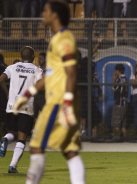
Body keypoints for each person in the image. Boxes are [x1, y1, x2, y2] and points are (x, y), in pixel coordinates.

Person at [12, 1, 85, 183]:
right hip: (56, 101)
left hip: (60, 102)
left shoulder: (64, 40)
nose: (42, 13)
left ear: (54, 15)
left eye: (45, 10)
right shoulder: (56, 40)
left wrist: (67, 103)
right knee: (67, 151)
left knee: (40, 148)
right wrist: (27, 94)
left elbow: (71, 73)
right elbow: (49, 77)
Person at [0, 46, 42, 173]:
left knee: (12, 131)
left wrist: (9, 93)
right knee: (22, 136)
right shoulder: (37, 70)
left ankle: (5, 139)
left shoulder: (12, 67)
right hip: (26, 106)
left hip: (12, 105)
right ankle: (12, 166)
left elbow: (1, 78)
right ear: (33, 58)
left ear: (21, 56)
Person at [111, 64, 128, 141]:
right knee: (123, 124)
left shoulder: (120, 79)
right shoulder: (125, 78)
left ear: (118, 71)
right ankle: (125, 140)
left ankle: (116, 138)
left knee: (116, 122)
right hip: (124, 103)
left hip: (119, 104)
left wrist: (113, 79)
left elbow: (115, 89)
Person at [33, 52, 46, 120]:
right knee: (34, 114)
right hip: (36, 95)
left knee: (45, 114)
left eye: (41, 59)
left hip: (44, 95)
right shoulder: (37, 69)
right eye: (38, 58)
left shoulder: (49, 69)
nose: (38, 60)